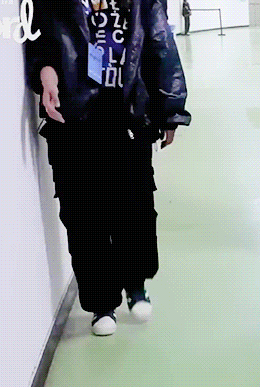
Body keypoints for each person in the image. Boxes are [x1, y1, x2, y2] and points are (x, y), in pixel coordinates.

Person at [25, 0, 191, 336]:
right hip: (73, 118)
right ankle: (102, 303)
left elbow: (161, 44)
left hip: (128, 113)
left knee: (134, 206)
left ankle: (136, 285)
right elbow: (41, 43)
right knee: (83, 213)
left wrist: (171, 109)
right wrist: (45, 75)